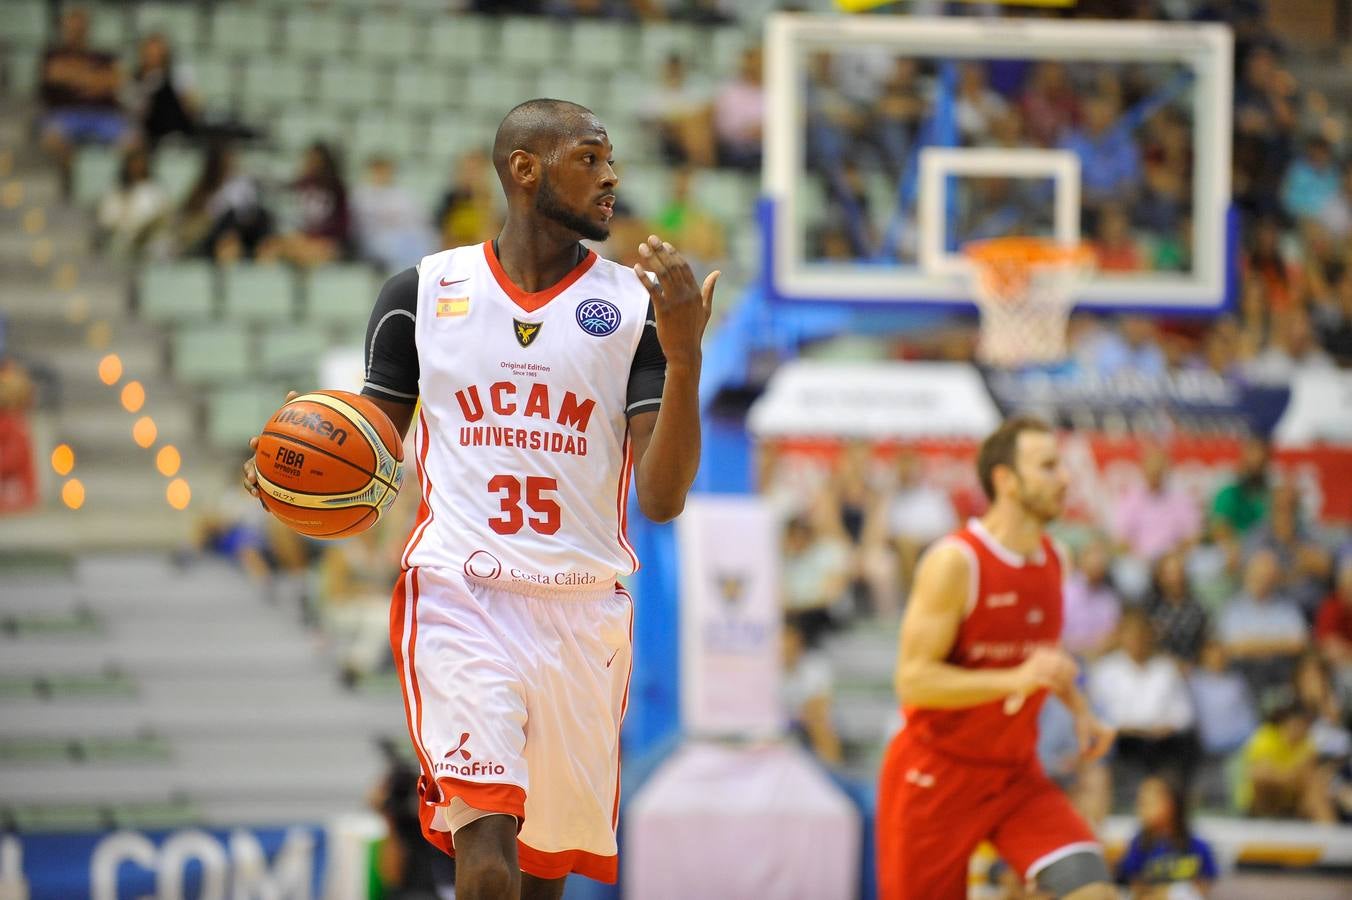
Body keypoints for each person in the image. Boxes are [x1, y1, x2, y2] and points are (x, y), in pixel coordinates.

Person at [246, 98, 716, 898]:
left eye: (611, 161)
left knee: (539, 876)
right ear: (523, 170)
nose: (612, 178)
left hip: (582, 611)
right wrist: (295, 466)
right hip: (461, 598)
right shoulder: (420, 294)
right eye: (590, 159)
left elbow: (664, 498)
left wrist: (683, 360)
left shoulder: (636, 312)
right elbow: (368, 450)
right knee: (487, 852)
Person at [877, 416, 1117, 900]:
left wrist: (1081, 710)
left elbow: (1038, 661)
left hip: (1013, 774)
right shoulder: (955, 562)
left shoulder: (1055, 559)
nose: (1065, 478)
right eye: (1048, 466)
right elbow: (913, 681)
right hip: (935, 776)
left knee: (1092, 892)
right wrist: (1014, 680)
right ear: (1006, 480)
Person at [1089, 609, 1197, 794]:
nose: (1137, 640)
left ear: (1151, 636)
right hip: (1124, 738)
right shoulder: (1105, 670)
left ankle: (1172, 802)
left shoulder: (1166, 669)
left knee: (1186, 744)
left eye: (1142, 634)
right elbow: (1096, 713)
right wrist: (1126, 728)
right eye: (1131, 634)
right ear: (1121, 636)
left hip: (1161, 739)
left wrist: (1167, 727)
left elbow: (1185, 714)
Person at [37, 7, 130, 195]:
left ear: (87, 29)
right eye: (72, 28)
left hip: (103, 116)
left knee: (132, 141)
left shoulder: (102, 55)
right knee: (52, 137)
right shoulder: (53, 54)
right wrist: (96, 79)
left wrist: (73, 75)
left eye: (80, 28)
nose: (76, 32)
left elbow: (117, 80)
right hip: (65, 114)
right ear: (64, 29)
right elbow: (53, 74)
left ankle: (113, 189)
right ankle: (68, 189)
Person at [1217, 548, 1309, 696]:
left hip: (1282, 675)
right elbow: (1231, 646)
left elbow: (1299, 643)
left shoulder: (1287, 607)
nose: (1263, 580)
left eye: (1268, 576)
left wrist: (1255, 644)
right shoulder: (1233, 607)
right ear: (1248, 574)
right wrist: (1277, 644)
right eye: (1259, 575)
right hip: (1246, 677)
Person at [1115, 776, 1218, 898]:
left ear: (1170, 805)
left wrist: (1177, 892)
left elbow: (1204, 888)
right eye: (1139, 802)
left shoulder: (1198, 847)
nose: (1139, 809)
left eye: (1146, 803)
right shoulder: (1139, 845)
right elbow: (1135, 887)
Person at [1236, 704, 1336, 822]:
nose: (1301, 729)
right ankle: (1263, 819)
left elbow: (1310, 773)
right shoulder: (1266, 737)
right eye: (1298, 724)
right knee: (1262, 779)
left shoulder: (1307, 743)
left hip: (1292, 798)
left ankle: (1328, 832)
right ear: (1286, 722)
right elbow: (1260, 774)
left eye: (1305, 725)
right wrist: (1292, 776)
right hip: (1262, 799)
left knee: (1316, 788)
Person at [258, 141, 352, 267]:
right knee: (269, 248)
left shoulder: (336, 188)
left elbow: (342, 225)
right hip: (300, 239)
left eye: (317, 160)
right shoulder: (300, 185)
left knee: (309, 254)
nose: (312, 164)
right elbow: (288, 219)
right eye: (310, 159)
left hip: (325, 242)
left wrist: (316, 238)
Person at [352, 155, 439, 272]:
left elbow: (421, 218)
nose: (382, 175)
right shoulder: (360, 195)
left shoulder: (402, 195)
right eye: (378, 171)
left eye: (385, 171)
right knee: (390, 245)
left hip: (404, 236)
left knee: (427, 239)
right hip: (373, 238)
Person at [781, 617, 843, 766]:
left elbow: (820, 706)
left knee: (819, 722)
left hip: (807, 725)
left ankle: (832, 774)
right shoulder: (763, 670)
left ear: (798, 640)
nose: (782, 645)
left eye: (787, 639)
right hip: (777, 726)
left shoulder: (815, 665)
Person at [95, 146, 171, 259]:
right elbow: (106, 219)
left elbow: (164, 218)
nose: (137, 167)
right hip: (122, 241)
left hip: (150, 243)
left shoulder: (156, 190)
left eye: (140, 163)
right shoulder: (116, 191)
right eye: (133, 163)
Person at [125, 33, 199, 149]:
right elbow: (131, 112)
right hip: (144, 135)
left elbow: (192, 106)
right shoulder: (134, 80)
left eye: (157, 52)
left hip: (172, 135)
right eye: (149, 52)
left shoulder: (177, 75)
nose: (152, 56)